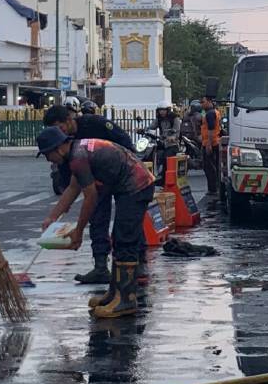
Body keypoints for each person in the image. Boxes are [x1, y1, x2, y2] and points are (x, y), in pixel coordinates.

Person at [37, 127, 156, 318]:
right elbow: (73, 188)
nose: (48, 160)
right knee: (119, 238)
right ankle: (115, 293)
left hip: (136, 186)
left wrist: (78, 231)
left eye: (47, 155)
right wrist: (52, 216)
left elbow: (90, 197)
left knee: (125, 239)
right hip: (130, 184)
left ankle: (126, 299)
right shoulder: (77, 152)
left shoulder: (78, 158)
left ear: (58, 149)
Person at [43, 104, 135, 285]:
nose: (58, 133)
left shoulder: (95, 124)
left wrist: (78, 230)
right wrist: (56, 212)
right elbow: (70, 182)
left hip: (122, 176)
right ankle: (101, 266)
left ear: (69, 120)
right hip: (95, 182)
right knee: (97, 220)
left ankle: (134, 269)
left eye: (59, 127)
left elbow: (125, 142)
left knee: (127, 224)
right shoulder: (64, 145)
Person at [148, 100, 181, 180]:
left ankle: (165, 179)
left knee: (167, 158)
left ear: (168, 110)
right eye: (160, 110)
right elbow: (151, 127)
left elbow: (177, 131)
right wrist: (141, 130)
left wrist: (173, 137)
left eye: (163, 110)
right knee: (152, 154)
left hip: (172, 144)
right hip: (162, 142)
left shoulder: (175, 118)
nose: (161, 112)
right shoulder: (159, 119)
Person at [200, 95, 221, 197]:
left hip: (211, 143)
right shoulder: (214, 112)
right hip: (214, 142)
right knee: (213, 166)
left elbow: (211, 130)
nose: (201, 104)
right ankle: (214, 188)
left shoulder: (210, 114)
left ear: (209, 102)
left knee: (209, 167)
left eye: (203, 102)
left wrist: (208, 144)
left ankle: (213, 189)